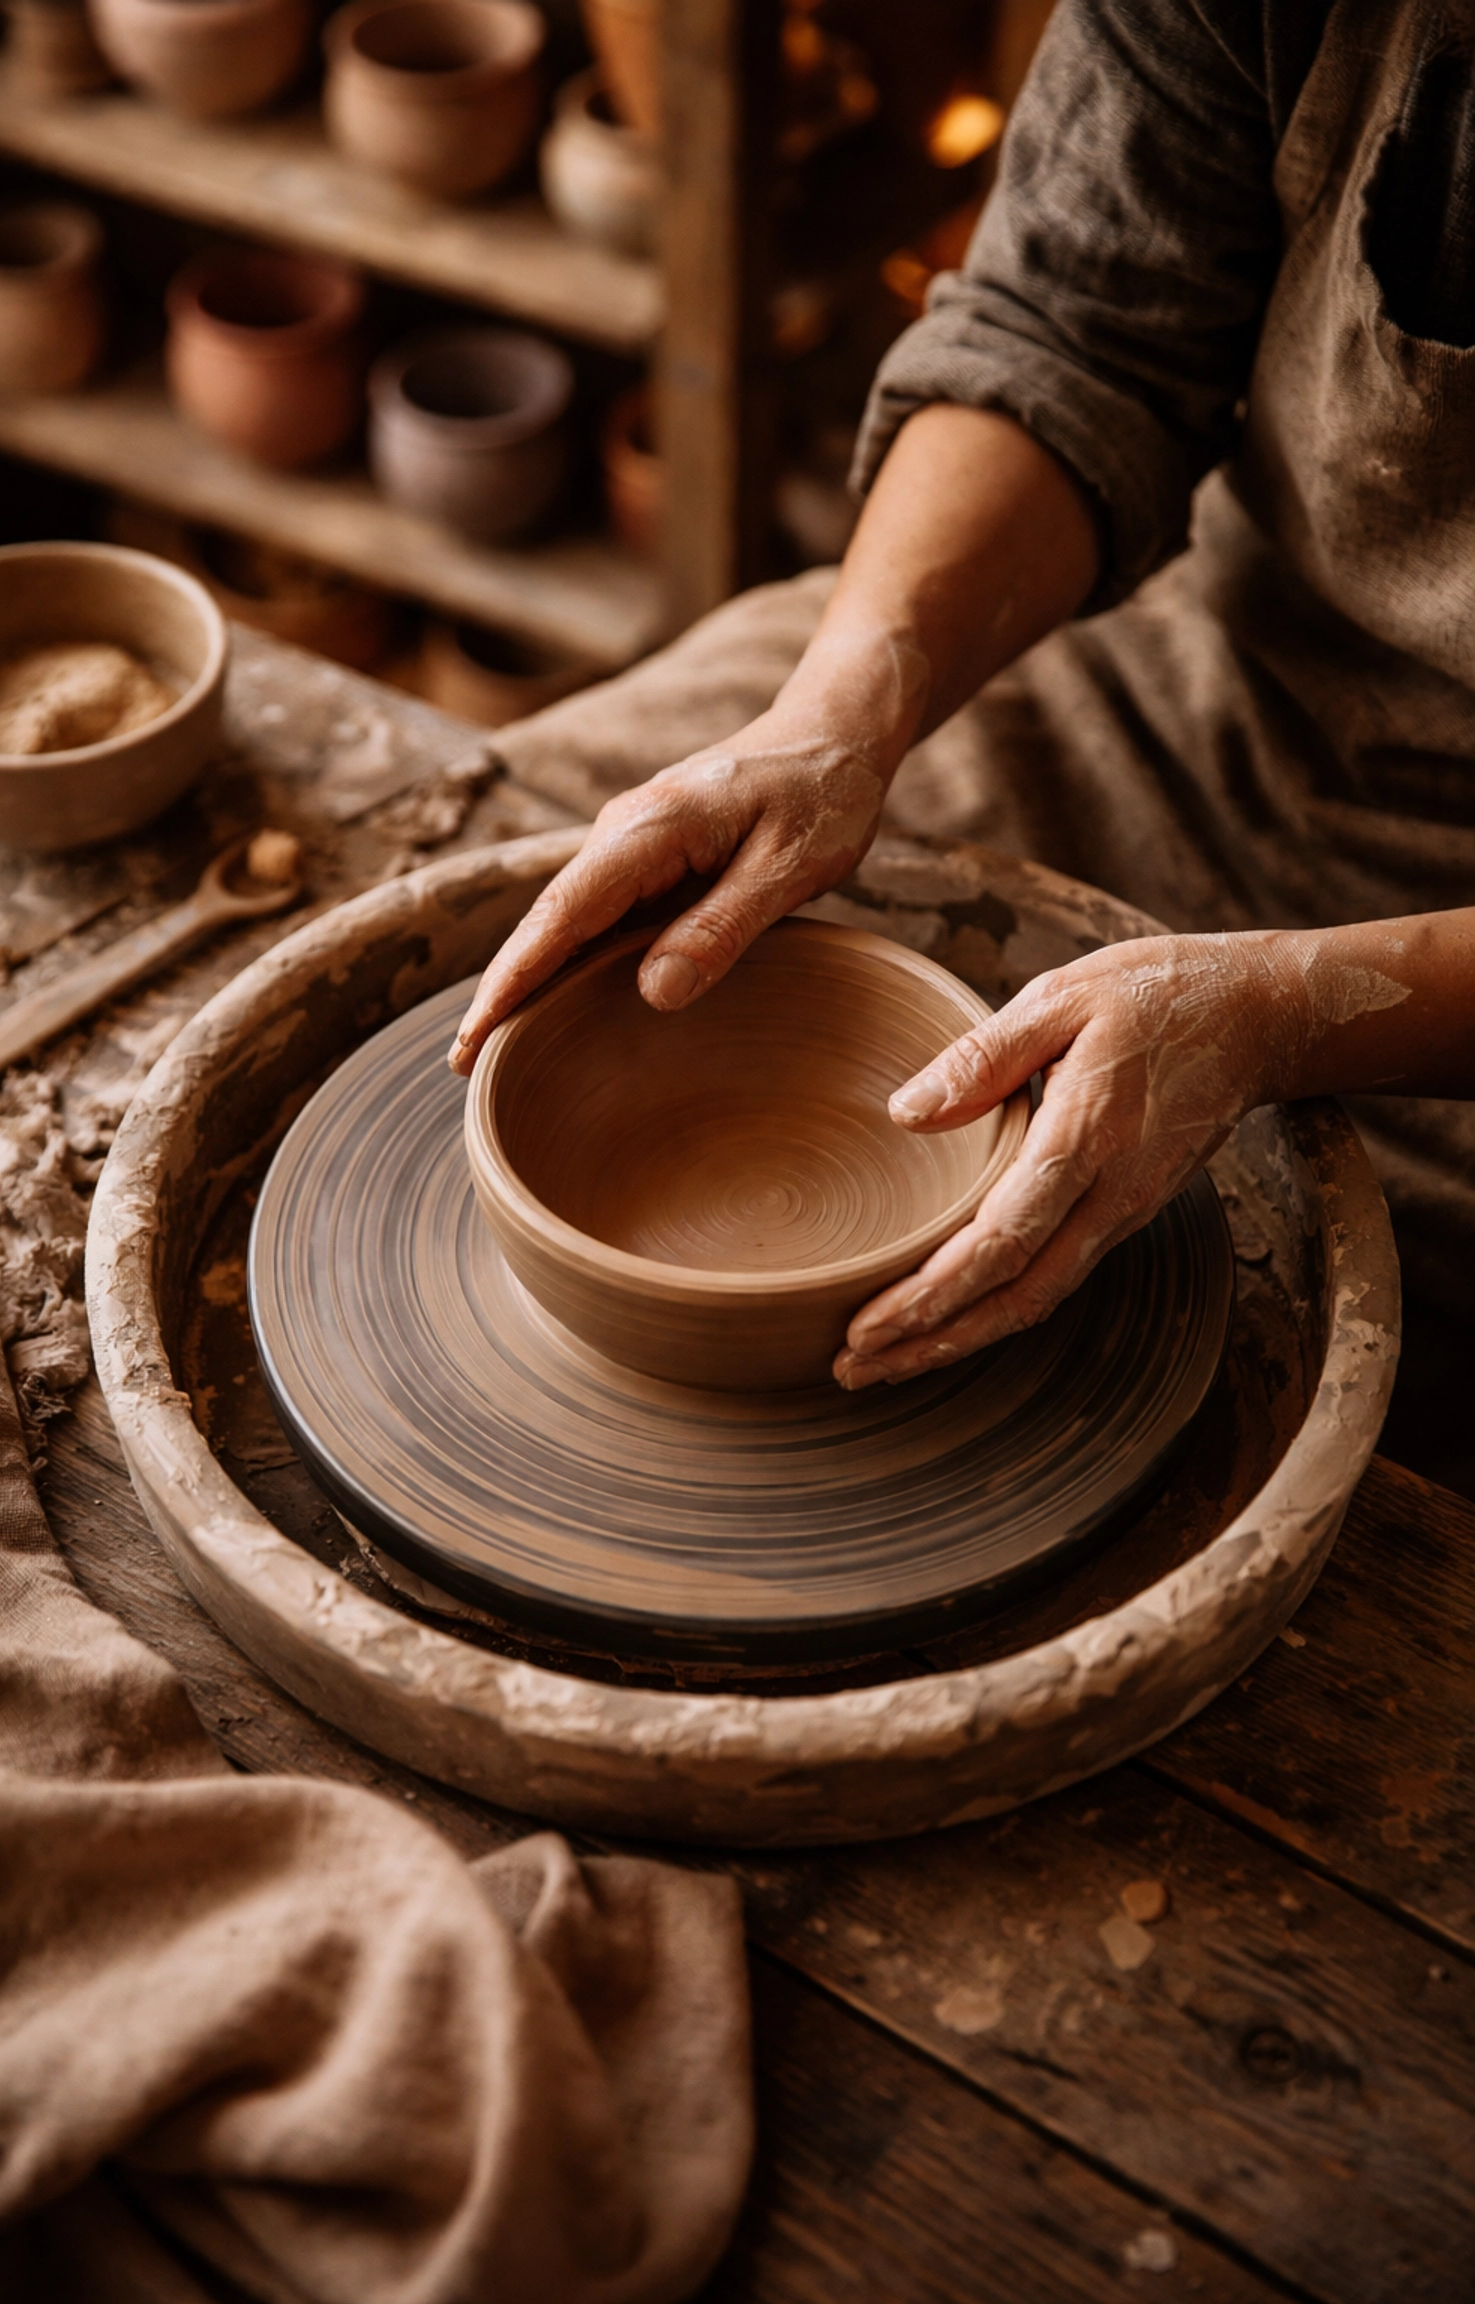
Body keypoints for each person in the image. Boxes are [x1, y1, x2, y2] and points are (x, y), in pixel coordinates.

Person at [453, 0, 1475, 1399]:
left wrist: (1297, 1007)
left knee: (1302, 1367)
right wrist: (841, 711)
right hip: (1203, 675)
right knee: (506, 846)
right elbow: (1073, 337)